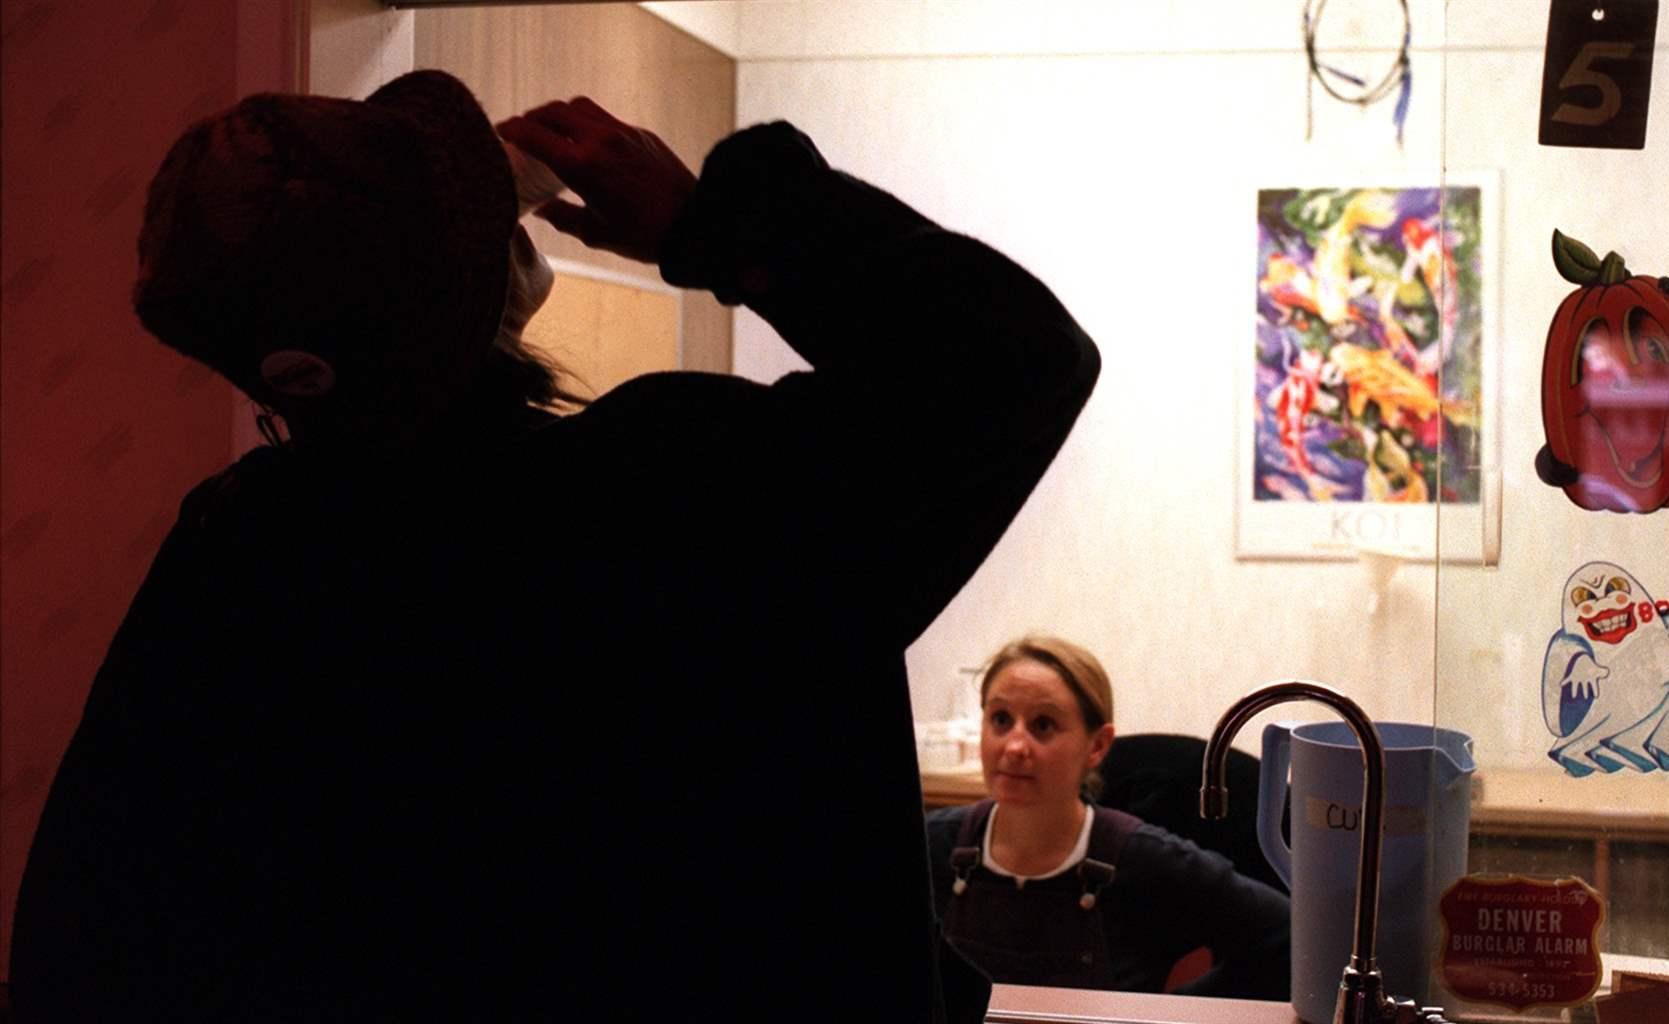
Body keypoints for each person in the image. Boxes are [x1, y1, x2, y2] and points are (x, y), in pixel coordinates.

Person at [9, 70, 1099, 1022]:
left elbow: (92, 941)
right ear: (480, 288)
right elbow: (1011, 359)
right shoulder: (679, 502)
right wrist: (716, 223)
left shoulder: (240, 560)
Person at [926, 636, 1290, 1000]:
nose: (1014, 746)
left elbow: (1289, 936)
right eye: (1001, 719)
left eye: (1042, 725)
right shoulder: (933, 845)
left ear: (1097, 746)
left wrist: (1173, 1012)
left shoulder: (1144, 858)